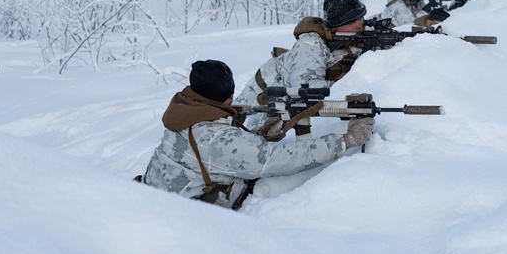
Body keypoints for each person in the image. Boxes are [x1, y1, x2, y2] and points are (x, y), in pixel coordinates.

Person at [141, 59, 372, 209]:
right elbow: (279, 159)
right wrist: (345, 140)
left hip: (155, 200)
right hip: (188, 222)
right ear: (226, 96)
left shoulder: (185, 110)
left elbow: (219, 146)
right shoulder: (216, 139)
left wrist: (258, 134)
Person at [236, 0, 369, 109]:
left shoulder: (348, 35)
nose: (360, 24)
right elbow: (306, 87)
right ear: (335, 24)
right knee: (260, 132)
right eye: (351, 21)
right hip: (262, 97)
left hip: (290, 100)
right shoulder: (310, 45)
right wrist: (348, 85)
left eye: (361, 16)